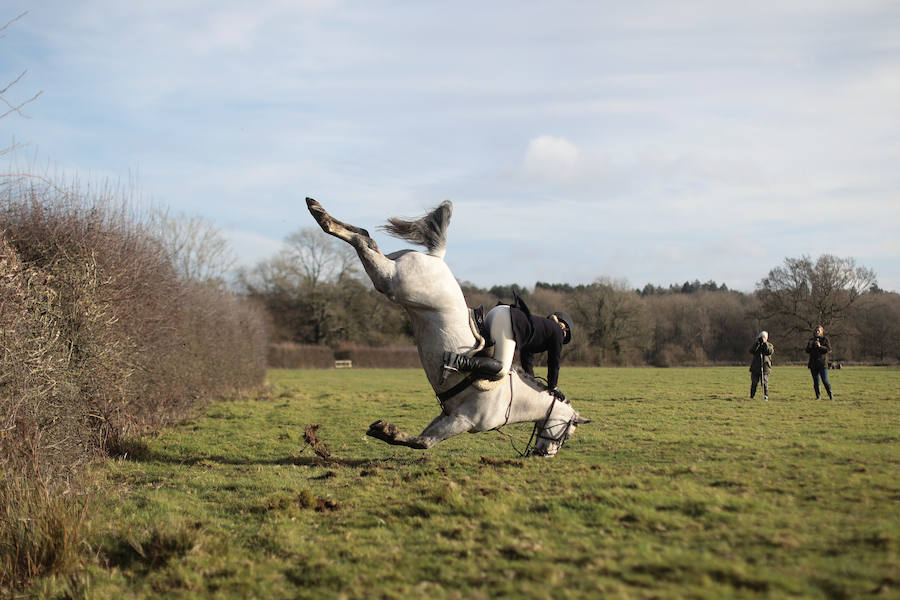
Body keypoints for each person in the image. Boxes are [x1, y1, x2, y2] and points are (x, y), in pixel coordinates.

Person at [443, 294, 573, 400]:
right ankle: (457, 361)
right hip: (507, 320)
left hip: (496, 312)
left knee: (489, 356)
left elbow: (527, 357)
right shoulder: (557, 331)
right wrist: (553, 387)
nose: (562, 339)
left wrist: (531, 382)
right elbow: (554, 362)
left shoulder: (542, 328)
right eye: (565, 335)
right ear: (563, 327)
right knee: (502, 368)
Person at [805, 325, 834, 400]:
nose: (817, 332)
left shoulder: (825, 339)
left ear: (822, 331)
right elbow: (807, 351)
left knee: (825, 381)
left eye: (819, 331)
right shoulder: (811, 340)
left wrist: (820, 346)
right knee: (816, 382)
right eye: (816, 331)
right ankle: (818, 397)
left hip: (822, 364)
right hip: (813, 364)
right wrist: (810, 346)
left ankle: (831, 396)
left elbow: (828, 349)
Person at [748, 330, 774, 401]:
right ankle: (752, 396)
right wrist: (757, 344)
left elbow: (769, 351)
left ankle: (766, 396)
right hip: (755, 367)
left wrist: (764, 343)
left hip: (765, 367)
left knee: (764, 383)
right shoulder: (756, 345)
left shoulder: (770, 345)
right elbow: (751, 351)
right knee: (754, 382)